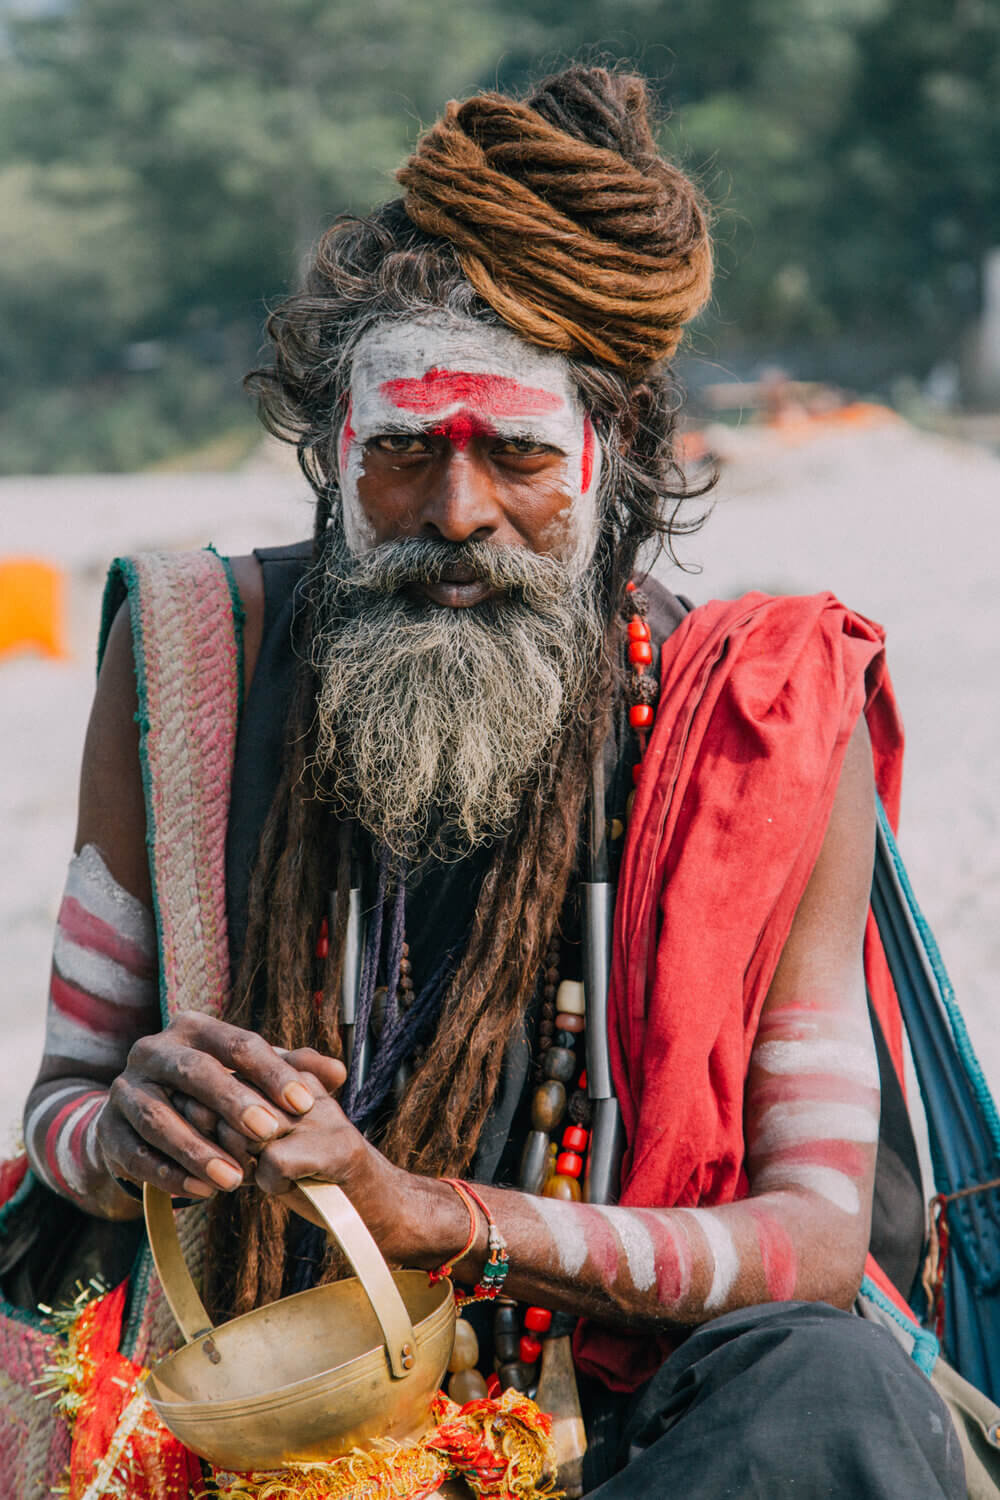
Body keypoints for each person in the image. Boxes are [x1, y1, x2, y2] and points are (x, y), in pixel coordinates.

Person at [22, 64, 964, 1496]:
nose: (456, 516)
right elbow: (61, 1118)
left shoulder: (766, 715)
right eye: (403, 454)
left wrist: (426, 1214)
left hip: (621, 1418)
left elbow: (818, 1238)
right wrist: (128, 1130)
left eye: (516, 456)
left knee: (829, 1392)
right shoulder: (187, 661)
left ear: (613, 458)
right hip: (270, 1401)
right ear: (333, 455)